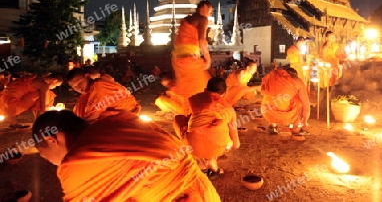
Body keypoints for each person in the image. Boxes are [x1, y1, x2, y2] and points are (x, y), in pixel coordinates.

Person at [32, 110, 221, 201]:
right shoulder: (121, 119)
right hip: (205, 192)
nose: (52, 162)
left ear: (51, 139)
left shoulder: (76, 163)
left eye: (45, 156)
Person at [174, 77, 240, 180]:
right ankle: (212, 163)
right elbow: (236, 144)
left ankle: (201, 163)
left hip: (193, 148)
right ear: (225, 93)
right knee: (221, 134)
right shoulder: (229, 110)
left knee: (178, 119)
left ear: (205, 90)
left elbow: (189, 124)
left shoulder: (194, 102)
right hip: (216, 148)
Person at [158, 0, 213, 116]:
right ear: (204, 7)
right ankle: (193, 111)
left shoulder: (187, 19)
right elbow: (202, 41)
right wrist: (208, 58)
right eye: (210, 10)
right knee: (200, 85)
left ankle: (186, 110)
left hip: (178, 59)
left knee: (186, 86)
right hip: (190, 58)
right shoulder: (202, 19)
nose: (210, 14)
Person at [67, 67, 141, 123]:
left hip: (126, 116)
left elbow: (92, 117)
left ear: (87, 76)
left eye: (80, 83)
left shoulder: (99, 86)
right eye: (75, 87)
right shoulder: (89, 91)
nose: (78, 88)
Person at [260, 67, 310, 135]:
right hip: (282, 115)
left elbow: (264, 92)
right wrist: (305, 121)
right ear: (295, 75)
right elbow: (306, 106)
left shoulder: (273, 77)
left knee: (273, 99)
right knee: (299, 101)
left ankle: (272, 126)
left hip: (265, 112)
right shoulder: (298, 81)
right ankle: (296, 129)